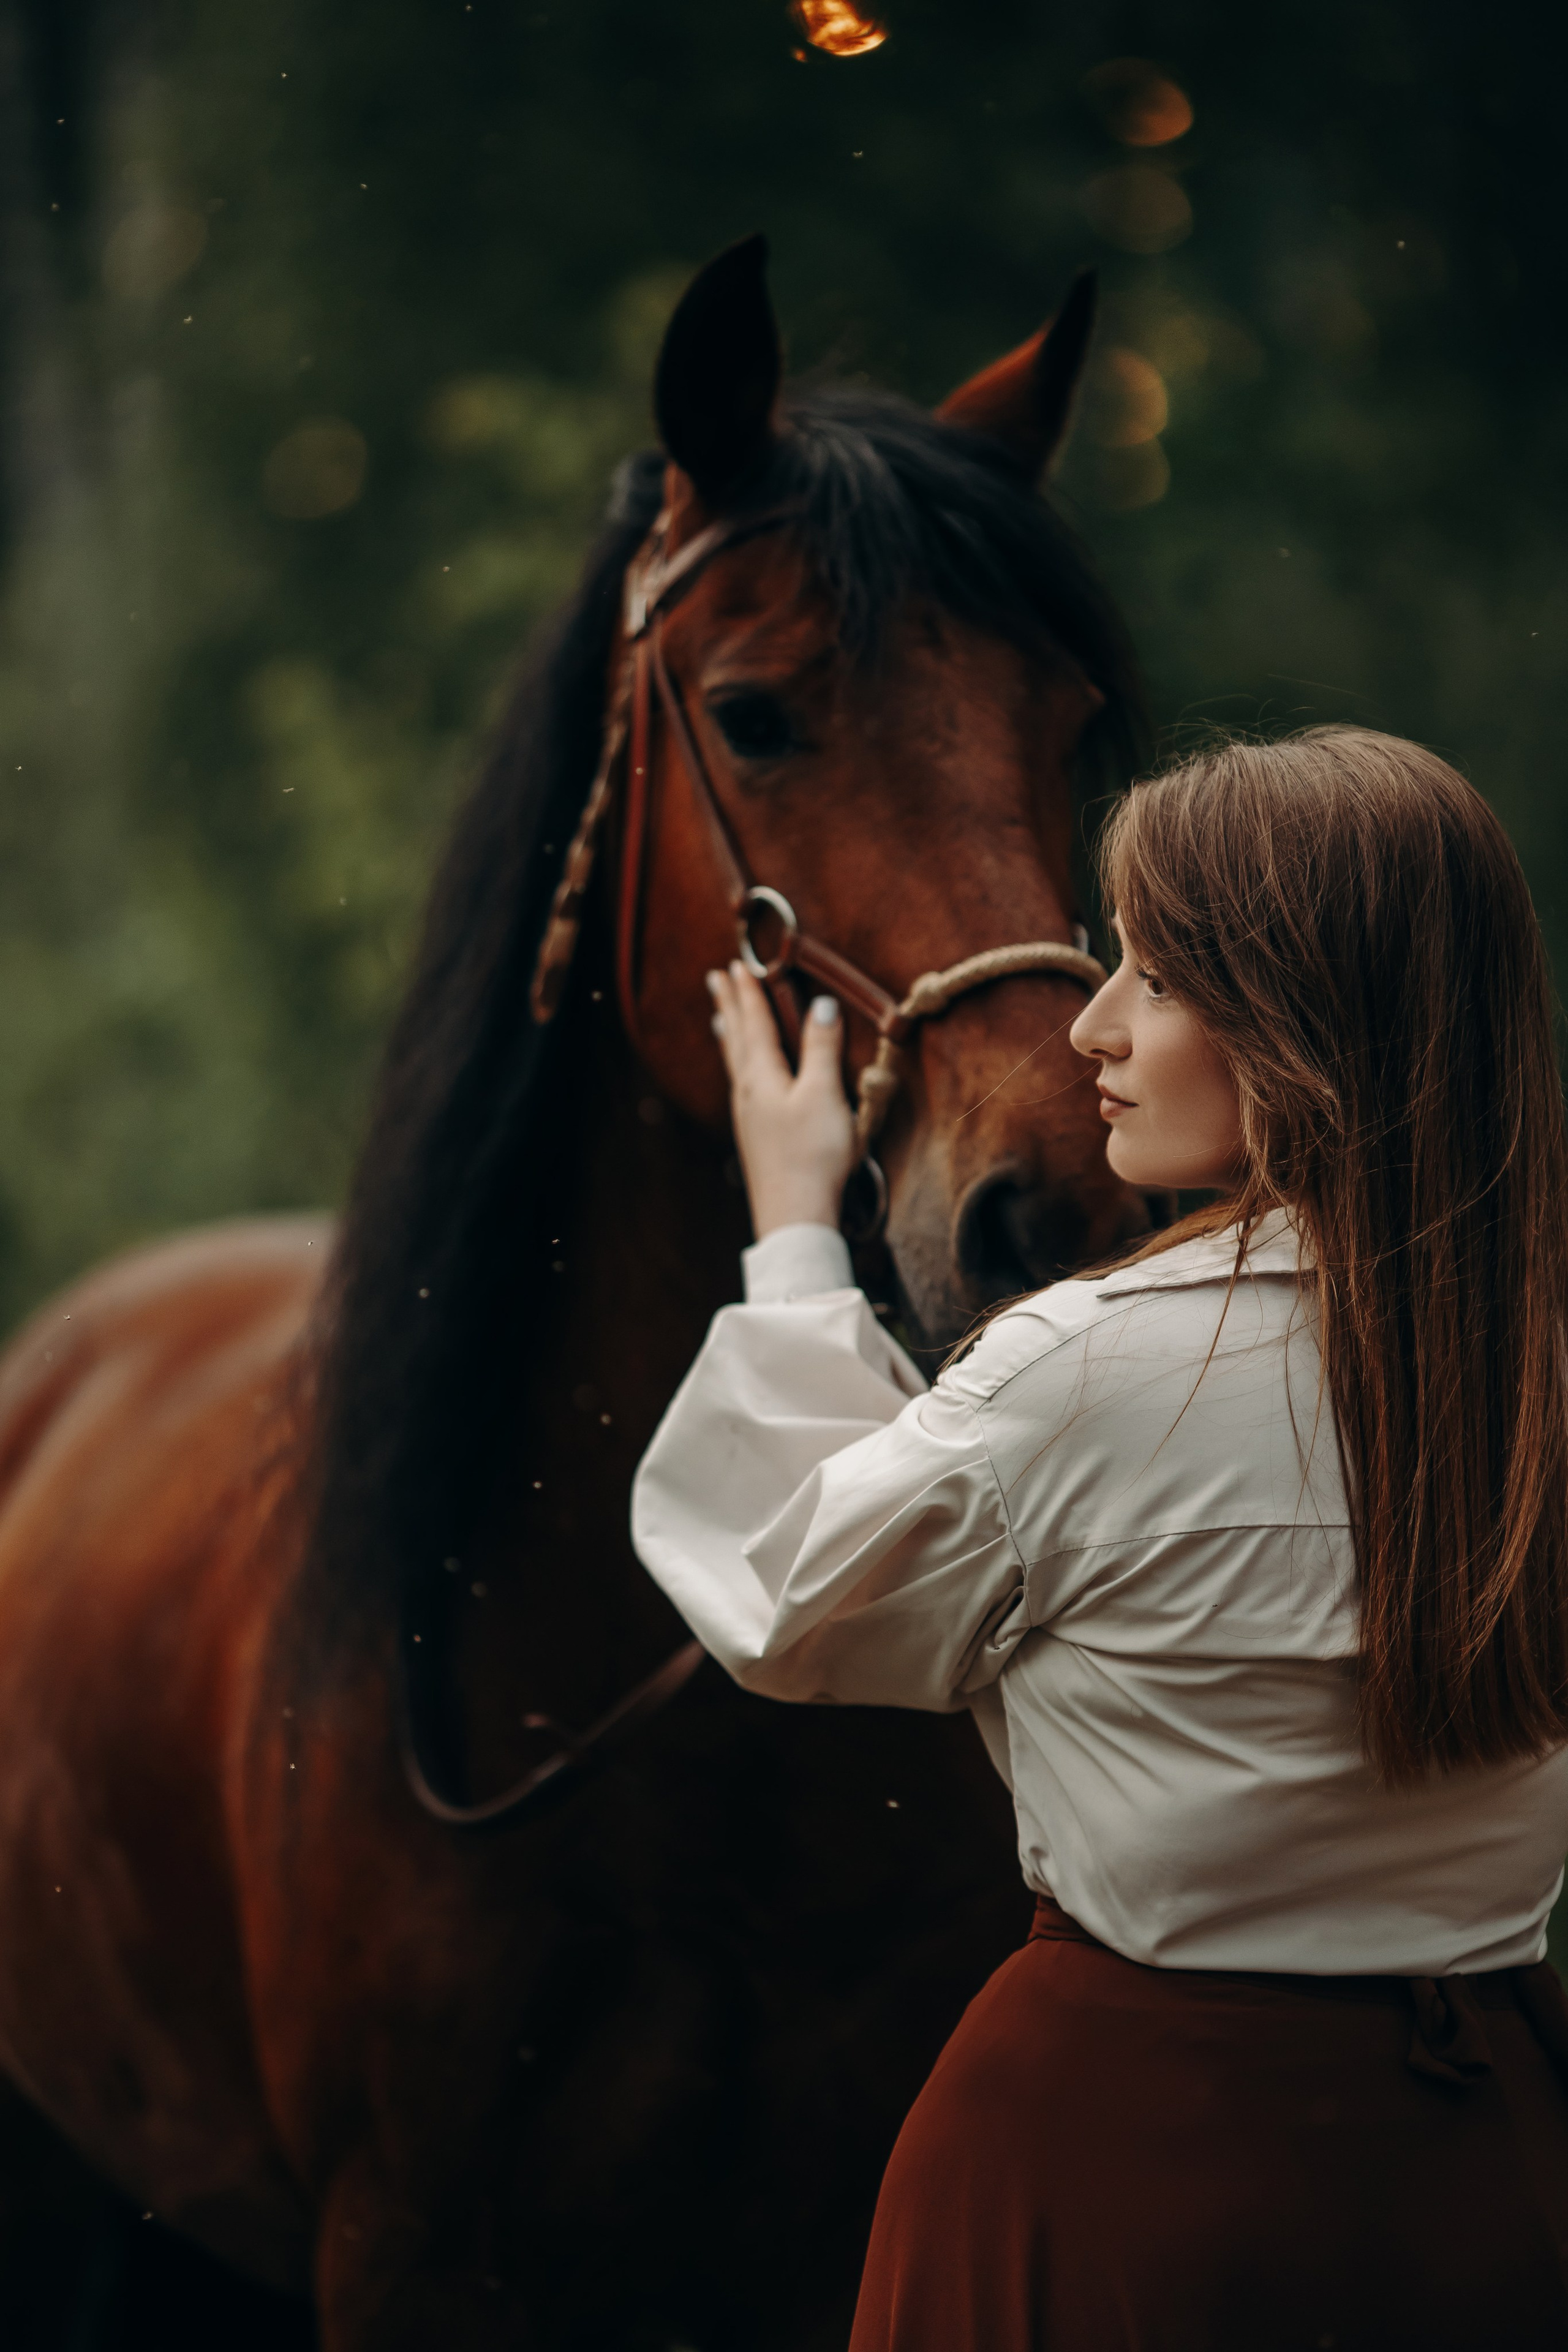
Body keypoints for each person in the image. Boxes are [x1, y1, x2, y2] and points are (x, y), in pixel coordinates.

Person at [630, 726, 1568, 2351]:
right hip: (1490, 2176)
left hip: (1121, 2178)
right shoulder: (1535, 1371)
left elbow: (790, 1595)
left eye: (1158, 975)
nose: (1091, 1025)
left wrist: (795, 1236)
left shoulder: (1085, 1372)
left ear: (1304, 1023)